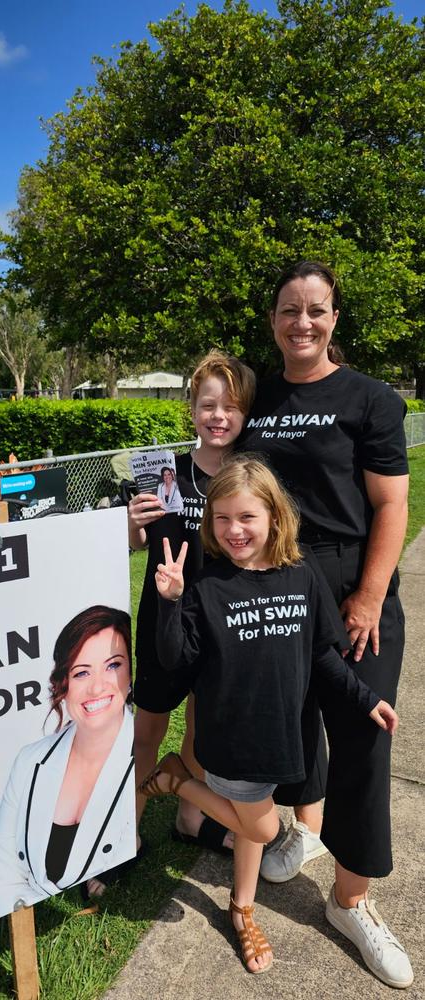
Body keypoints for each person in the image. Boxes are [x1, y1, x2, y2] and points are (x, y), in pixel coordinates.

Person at [139, 455, 397, 975]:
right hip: (230, 737)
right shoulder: (209, 587)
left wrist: (364, 697)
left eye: (247, 517)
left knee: (252, 822)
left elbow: (324, 655)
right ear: (211, 524)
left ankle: (242, 908)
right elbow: (177, 658)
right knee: (259, 830)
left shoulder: (300, 576)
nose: (234, 530)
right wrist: (171, 601)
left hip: (282, 739)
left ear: (274, 517)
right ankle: (175, 781)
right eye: (222, 519)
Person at [239, 260, 413, 988]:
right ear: (273, 319)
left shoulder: (369, 399)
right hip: (278, 585)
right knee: (293, 724)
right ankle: (304, 831)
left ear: (335, 317)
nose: (301, 322)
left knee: (365, 739)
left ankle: (351, 900)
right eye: (288, 310)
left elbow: (393, 506)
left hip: (350, 589)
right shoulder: (259, 394)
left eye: (315, 309)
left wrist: (370, 595)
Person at [128, 350, 255, 853]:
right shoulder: (164, 475)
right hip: (164, 619)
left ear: (245, 414)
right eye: (208, 404)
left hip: (221, 625)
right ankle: (123, 834)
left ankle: (189, 817)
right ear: (192, 409)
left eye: (231, 406)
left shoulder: (250, 479)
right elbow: (135, 543)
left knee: (202, 734)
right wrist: (132, 527)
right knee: (148, 732)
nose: (219, 416)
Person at [0, 606, 135, 922]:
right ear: (63, 684)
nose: (96, 686)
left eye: (113, 666)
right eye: (81, 672)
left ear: (131, 675)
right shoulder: (31, 761)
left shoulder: (141, 752)